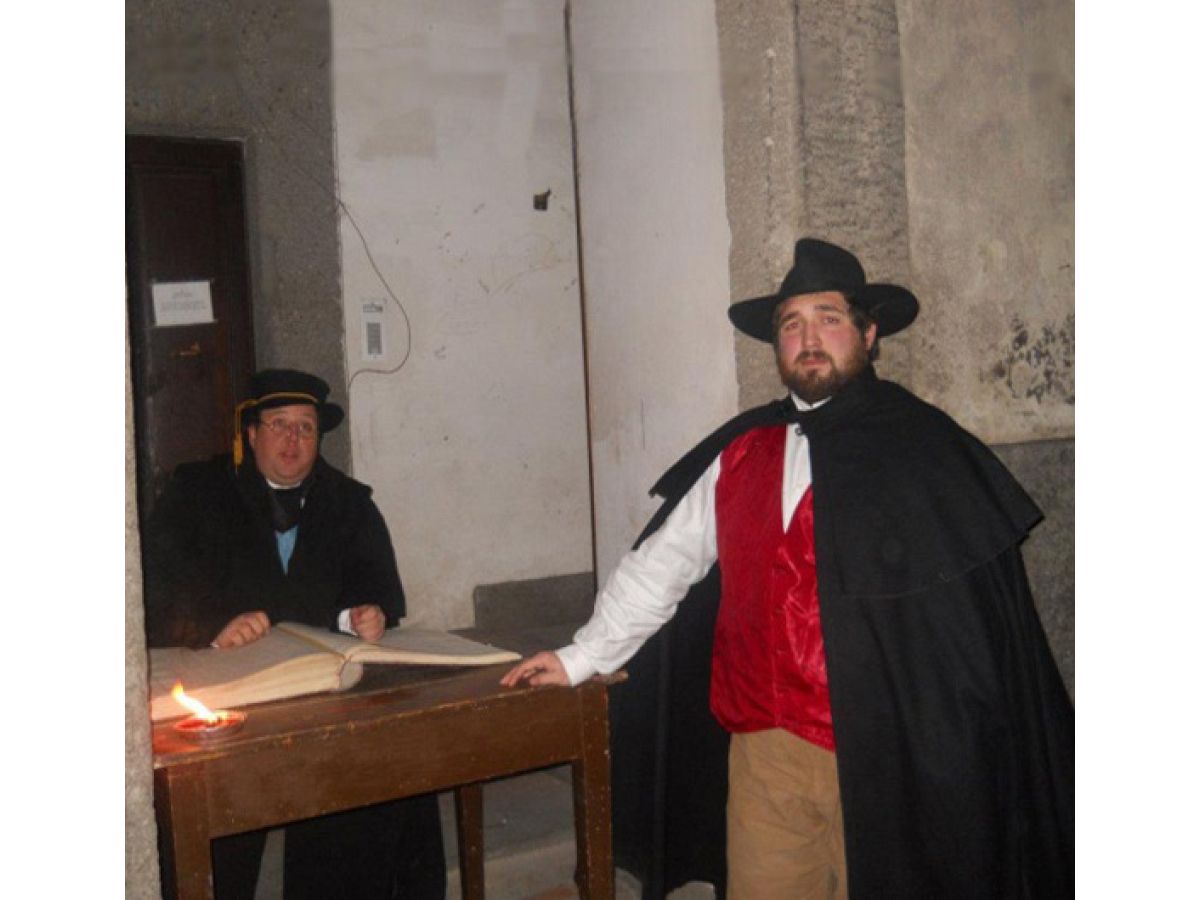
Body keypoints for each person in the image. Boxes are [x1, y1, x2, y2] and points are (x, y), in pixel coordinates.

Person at [502, 239, 1074, 899]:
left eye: (828, 318)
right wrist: (579, 657)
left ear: (869, 333)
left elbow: (974, 640)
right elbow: (662, 564)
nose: (808, 339)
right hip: (767, 753)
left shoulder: (927, 449)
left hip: (895, 758)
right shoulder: (743, 451)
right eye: (791, 324)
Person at [144, 368, 446, 900]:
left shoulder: (348, 503)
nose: (292, 439)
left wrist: (362, 615)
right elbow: (151, 590)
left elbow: (376, 589)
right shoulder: (197, 495)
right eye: (279, 424)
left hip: (320, 695)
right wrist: (213, 627)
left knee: (382, 768)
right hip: (229, 696)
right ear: (251, 434)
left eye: (305, 427)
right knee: (217, 812)